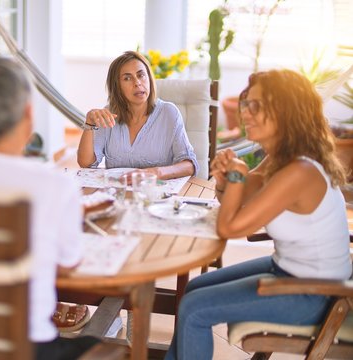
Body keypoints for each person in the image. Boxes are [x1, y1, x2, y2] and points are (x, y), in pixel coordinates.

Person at [165, 69, 351, 360]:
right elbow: (237, 198)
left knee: (195, 309)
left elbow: (230, 228)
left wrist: (236, 178)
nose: (245, 113)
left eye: (256, 105)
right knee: (194, 289)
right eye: (245, 104)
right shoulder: (281, 158)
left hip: (318, 294)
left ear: (286, 111)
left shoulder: (299, 172)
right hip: (291, 271)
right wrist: (227, 179)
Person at [0, 55, 101, 360]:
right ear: (28, 114)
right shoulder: (55, 185)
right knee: (110, 348)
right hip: (27, 348)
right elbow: (68, 265)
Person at [77, 50, 198, 180]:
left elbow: (189, 165)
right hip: (117, 195)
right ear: (117, 86)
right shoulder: (108, 115)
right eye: (127, 78)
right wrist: (89, 123)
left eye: (141, 75)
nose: (137, 83)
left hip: (156, 195)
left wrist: (155, 173)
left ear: (149, 79)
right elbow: (86, 163)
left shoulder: (169, 113)